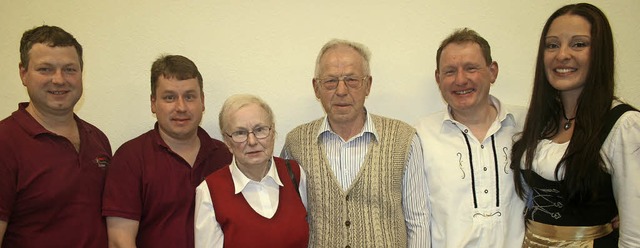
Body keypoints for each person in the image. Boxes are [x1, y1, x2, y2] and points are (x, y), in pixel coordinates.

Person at [511, 3, 640, 247]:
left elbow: (635, 236)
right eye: (552, 45)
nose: (562, 55)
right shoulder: (540, 122)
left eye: (579, 44)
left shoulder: (624, 125)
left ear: (599, 52)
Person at [282, 39, 429, 247]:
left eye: (351, 80)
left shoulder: (403, 139)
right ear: (316, 88)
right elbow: (288, 220)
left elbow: (418, 222)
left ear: (367, 85)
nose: (341, 91)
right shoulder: (296, 143)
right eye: (330, 81)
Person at [102, 55, 232, 247]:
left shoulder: (224, 155)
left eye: (189, 96)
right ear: (153, 103)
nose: (181, 107)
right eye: (169, 97)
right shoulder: (130, 158)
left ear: (202, 101)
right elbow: (119, 242)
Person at [0, 25, 112, 247]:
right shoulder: (5, 142)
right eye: (45, 69)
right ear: (23, 73)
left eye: (70, 69)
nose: (59, 80)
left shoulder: (98, 139)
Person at [414, 28, 526, 247]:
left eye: (471, 68)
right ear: (438, 78)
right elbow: (415, 217)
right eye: (449, 71)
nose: (460, 79)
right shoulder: (420, 135)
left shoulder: (528, 125)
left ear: (492, 71)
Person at [194, 94, 309, 247]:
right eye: (240, 133)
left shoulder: (295, 174)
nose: (252, 141)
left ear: (272, 132)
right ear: (227, 142)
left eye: (260, 130)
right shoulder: (210, 191)